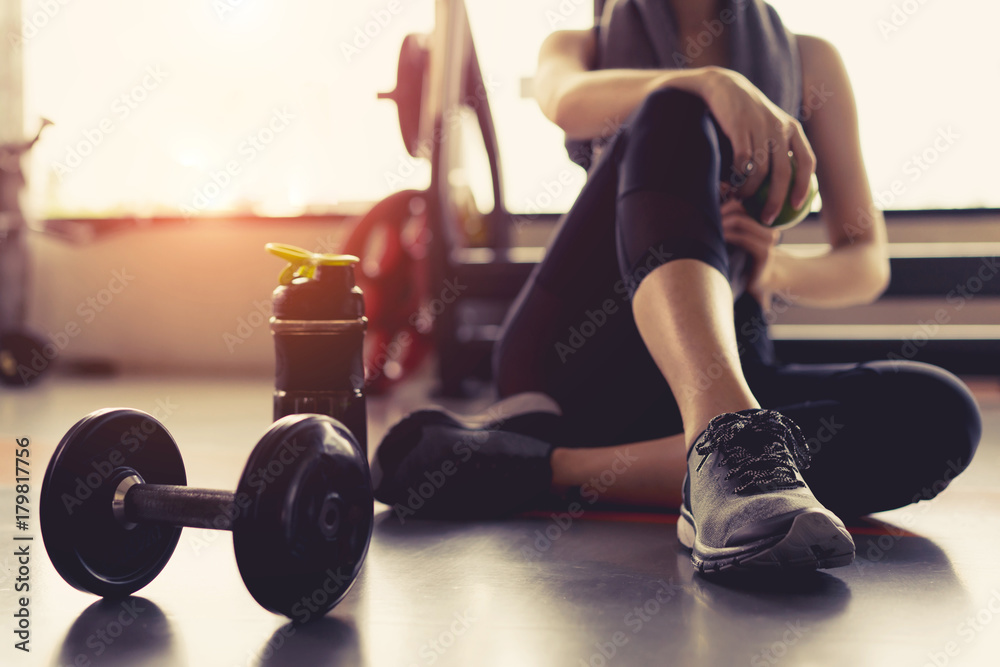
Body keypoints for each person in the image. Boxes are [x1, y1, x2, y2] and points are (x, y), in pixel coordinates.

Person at [371, 0, 981, 573]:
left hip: (730, 353)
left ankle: (550, 467)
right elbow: (564, 100)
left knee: (942, 415)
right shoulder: (578, 44)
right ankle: (728, 447)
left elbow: (866, 262)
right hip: (578, 358)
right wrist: (712, 82)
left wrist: (776, 271)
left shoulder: (810, 60)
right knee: (675, 104)